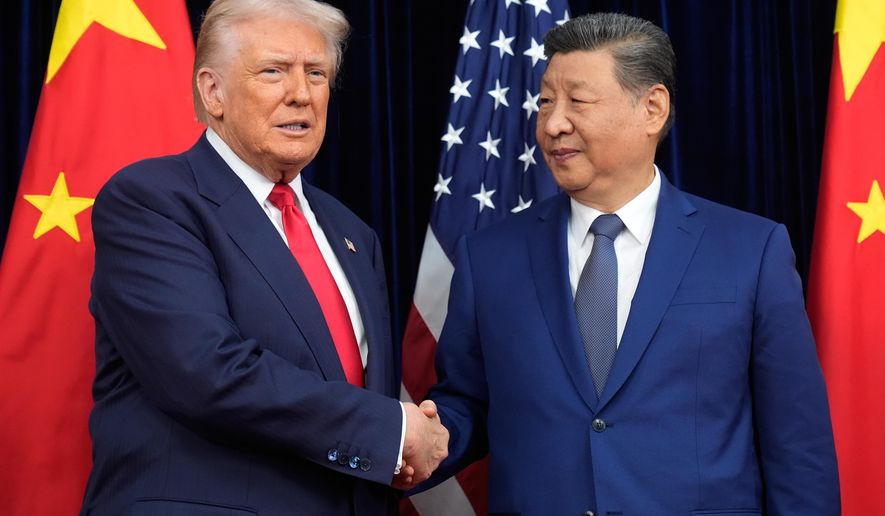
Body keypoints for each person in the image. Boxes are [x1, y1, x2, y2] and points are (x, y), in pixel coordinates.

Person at [413, 12, 840, 516]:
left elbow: (797, 445)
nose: (553, 123)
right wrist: (422, 438)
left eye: (578, 101)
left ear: (652, 108)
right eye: (546, 101)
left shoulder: (751, 250)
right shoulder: (489, 257)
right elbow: (470, 404)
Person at [79, 1, 447, 514]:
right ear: (213, 92)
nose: (301, 94)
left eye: (316, 73)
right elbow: (206, 372)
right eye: (273, 71)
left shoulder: (352, 233)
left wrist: (398, 443)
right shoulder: (152, 200)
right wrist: (393, 430)